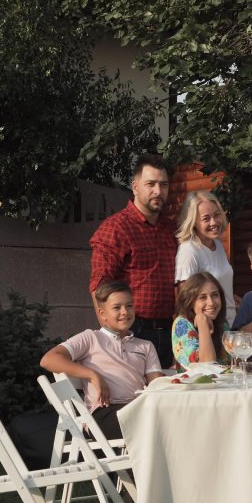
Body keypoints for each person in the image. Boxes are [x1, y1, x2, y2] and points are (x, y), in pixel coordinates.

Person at [40, 280, 163, 440]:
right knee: (149, 421)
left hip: (138, 408)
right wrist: (92, 374)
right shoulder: (91, 338)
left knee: (167, 417)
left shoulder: (145, 346)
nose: (125, 312)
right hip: (102, 413)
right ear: (102, 313)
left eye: (129, 305)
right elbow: (48, 360)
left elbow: (158, 386)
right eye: (117, 307)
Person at [90, 152, 177, 368]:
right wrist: (111, 338)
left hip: (171, 330)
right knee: (134, 396)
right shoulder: (116, 228)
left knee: (167, 397)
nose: (158, 191)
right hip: (133, 329)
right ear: (135, 186)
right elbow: (100, 287)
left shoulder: (172, 229)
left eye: (163, 185)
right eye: (151, 184)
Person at [174, 190, 237, 326]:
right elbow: (185, 299)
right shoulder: (189, 250)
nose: (214, 222)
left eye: (216, 215)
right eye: (206, 218)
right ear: (193, 222)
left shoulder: (218, 245)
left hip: (229, 324)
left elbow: (222, 287)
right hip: (209, 328)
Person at [172, 272, 228, 371]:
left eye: (215, 295)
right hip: (194, 385)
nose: (211, 302)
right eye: (202, 297)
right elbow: (206, 366)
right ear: (190, 302)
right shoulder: (182, 324)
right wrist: (202, 322)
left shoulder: (222, 323)